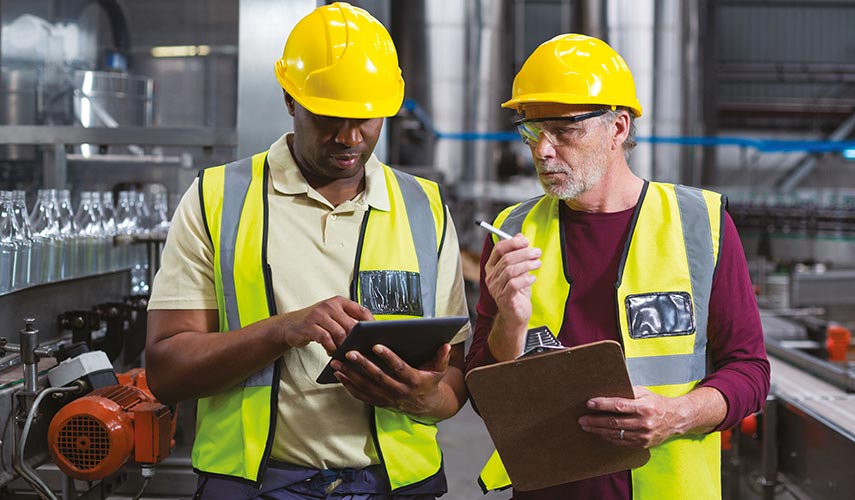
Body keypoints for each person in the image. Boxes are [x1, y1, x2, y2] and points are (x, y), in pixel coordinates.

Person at [145, 3, 470, 499]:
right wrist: (282, 330)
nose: (348, 137)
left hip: (397, 484)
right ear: (289, 99)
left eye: (364, 119)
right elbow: (166, 373)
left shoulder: (423, 208)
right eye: (327, 117)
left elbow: (455, 380)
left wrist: (427, 398)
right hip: (253, 484)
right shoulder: (218, 198)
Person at [464, 34, 770, 499]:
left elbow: (749, 371)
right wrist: (510, 321)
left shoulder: (700, 225)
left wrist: (677, 414)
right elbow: (485, 392)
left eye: (564, 131)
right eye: (530, 130)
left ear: (619, 128)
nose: (543, 150)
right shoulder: (512, 231)